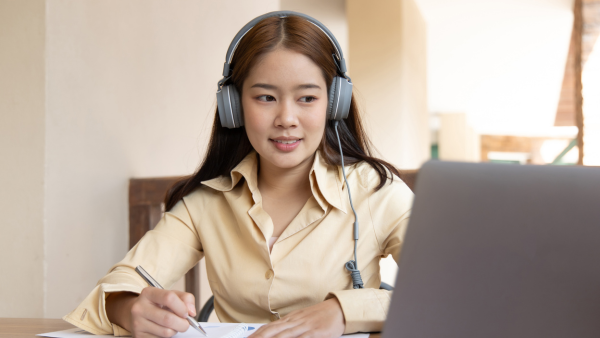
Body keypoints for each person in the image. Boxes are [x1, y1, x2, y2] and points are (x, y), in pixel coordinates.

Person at [64, 11, 413, 338]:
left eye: (307, 98)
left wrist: (342, 311)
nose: (286, 118)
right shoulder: (205, 203)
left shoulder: (378, 192)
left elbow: (450, 287)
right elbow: (119, 283)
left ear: (333, 104)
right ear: (234, 106)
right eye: (265, 97)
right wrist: (129, 309)